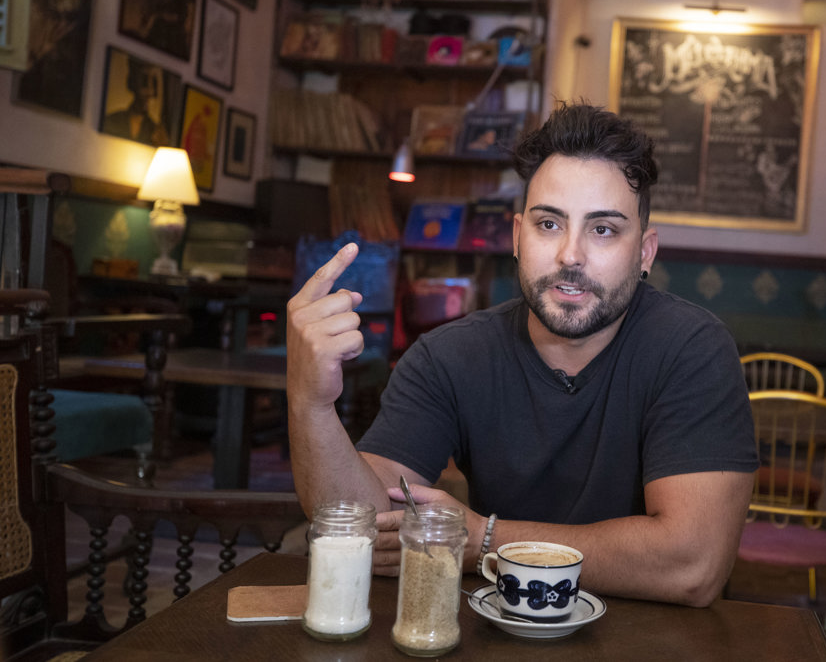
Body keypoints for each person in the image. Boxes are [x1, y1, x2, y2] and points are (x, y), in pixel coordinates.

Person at [287, 102, 757, 607]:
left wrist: (486, 541)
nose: (570, 255)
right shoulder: (450, 356)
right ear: (516, 237)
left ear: (644, 252)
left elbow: (693, 565)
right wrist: (310, 403)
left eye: (603, 229)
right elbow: (363, 529)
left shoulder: (693, 350)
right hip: (496, 634)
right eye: (549, 224)